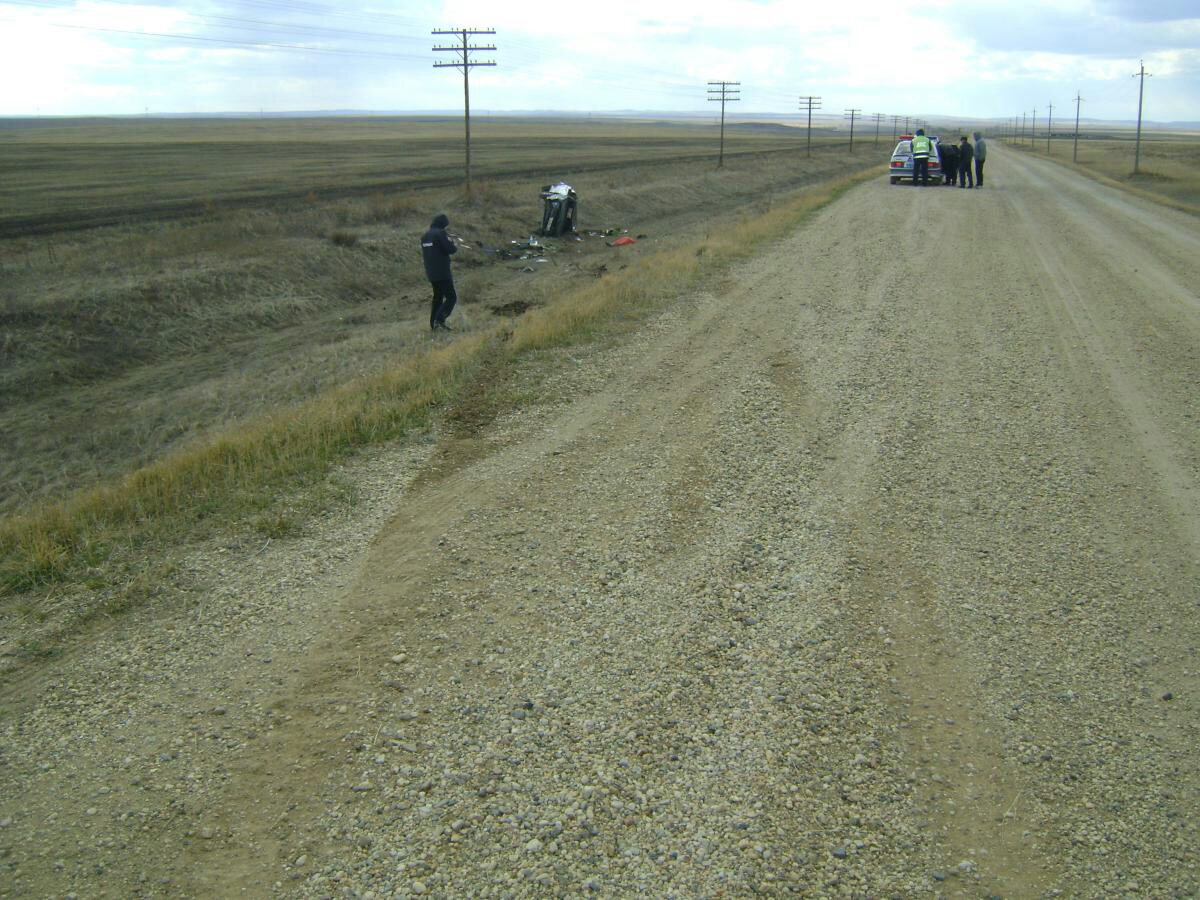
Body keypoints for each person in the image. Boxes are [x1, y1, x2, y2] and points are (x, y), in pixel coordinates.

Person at [421, 213, 458, 331]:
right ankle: (439, 321)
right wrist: (454, 243)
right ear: (443, 224)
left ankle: (433, 325)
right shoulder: (440, 233)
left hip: (431, 272)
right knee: (451, 297)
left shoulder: (425, 235)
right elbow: (450, 249)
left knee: (438, 298)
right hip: (442, 272)